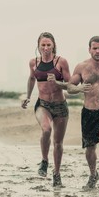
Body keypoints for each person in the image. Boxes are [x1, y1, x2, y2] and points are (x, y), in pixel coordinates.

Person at [48, 36, 99, 189]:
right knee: (90, 148)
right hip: (89, 112)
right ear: (89, 49)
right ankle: (93, 174)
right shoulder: (82, 67)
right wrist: (74, 87)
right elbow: (71, 87)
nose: (98, 51)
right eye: (95, 48)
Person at [21, 32, 71, 187]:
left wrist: (57, 81)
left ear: (53, 45)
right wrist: (28, 97)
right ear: (38, 46)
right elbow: (31, 79)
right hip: (43, 104)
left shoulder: (61, 62)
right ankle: (44, 161)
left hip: (60, 106)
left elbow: (70, 83)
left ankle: (56, 174)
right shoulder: (33, 62)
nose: (46, 48)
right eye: (43, 45)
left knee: (58, 143)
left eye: (49, 45)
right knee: (46, 129)